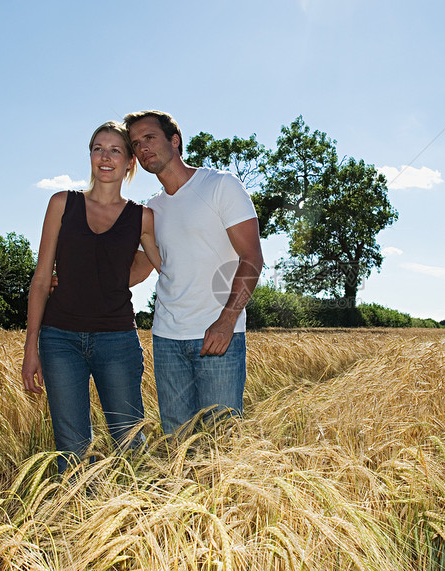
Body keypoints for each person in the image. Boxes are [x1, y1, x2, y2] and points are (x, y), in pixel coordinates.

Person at [21, 121, 161, 473]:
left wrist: (109, 279)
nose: (105, 156)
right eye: (98, 148)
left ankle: (134, 518)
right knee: (71, 450)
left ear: (130, 162)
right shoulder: (61, 204)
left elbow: (159, 262)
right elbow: (41, 280)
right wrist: (31, 346)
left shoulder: (141, 217)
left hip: (117, 339)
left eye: (115, 150)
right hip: (60, 340)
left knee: (129, 440)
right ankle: (80, 522)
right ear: (90, 156)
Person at [124, 110, 263, 435]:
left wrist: (227, 320)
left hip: (218, 337)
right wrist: (78, 280)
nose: (142, 148)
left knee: (221, 445)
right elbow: (137, 270)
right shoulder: (152, 210)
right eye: (135, 144)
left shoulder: (221, 186)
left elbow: (252, 257)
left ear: (174, 141)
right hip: (167, 339)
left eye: (149, 138)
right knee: (178, 442)